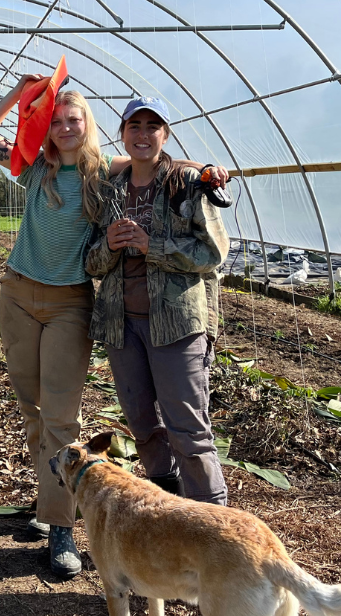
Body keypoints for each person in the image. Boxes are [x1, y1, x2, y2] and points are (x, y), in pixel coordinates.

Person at [0, 75, 224, 577]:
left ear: (89, 126)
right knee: (31, 408)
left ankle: (63, 528)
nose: (65, 127)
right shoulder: (32, 167)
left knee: (61, 415)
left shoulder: (103, 173)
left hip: (71, 303)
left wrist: (203, 169)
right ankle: (49, 506)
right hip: (18, 294)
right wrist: (18, 97)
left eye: (74, 119)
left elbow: (156, 160)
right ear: (46, 127)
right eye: (56, 120)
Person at [85, 96, 230, 506]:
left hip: (176, 325)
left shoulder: (186, 183)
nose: (143, 134)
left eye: (153, 127)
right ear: (123, 134)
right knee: (142, 422)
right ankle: (167, 499)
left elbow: (214, 253)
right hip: (122, 325)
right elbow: (92, 262)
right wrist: (110, 246)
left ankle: (211, 519)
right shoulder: (110, 189)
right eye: (135, 126)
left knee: (187, 426)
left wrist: (154, 246)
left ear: (165, 134)